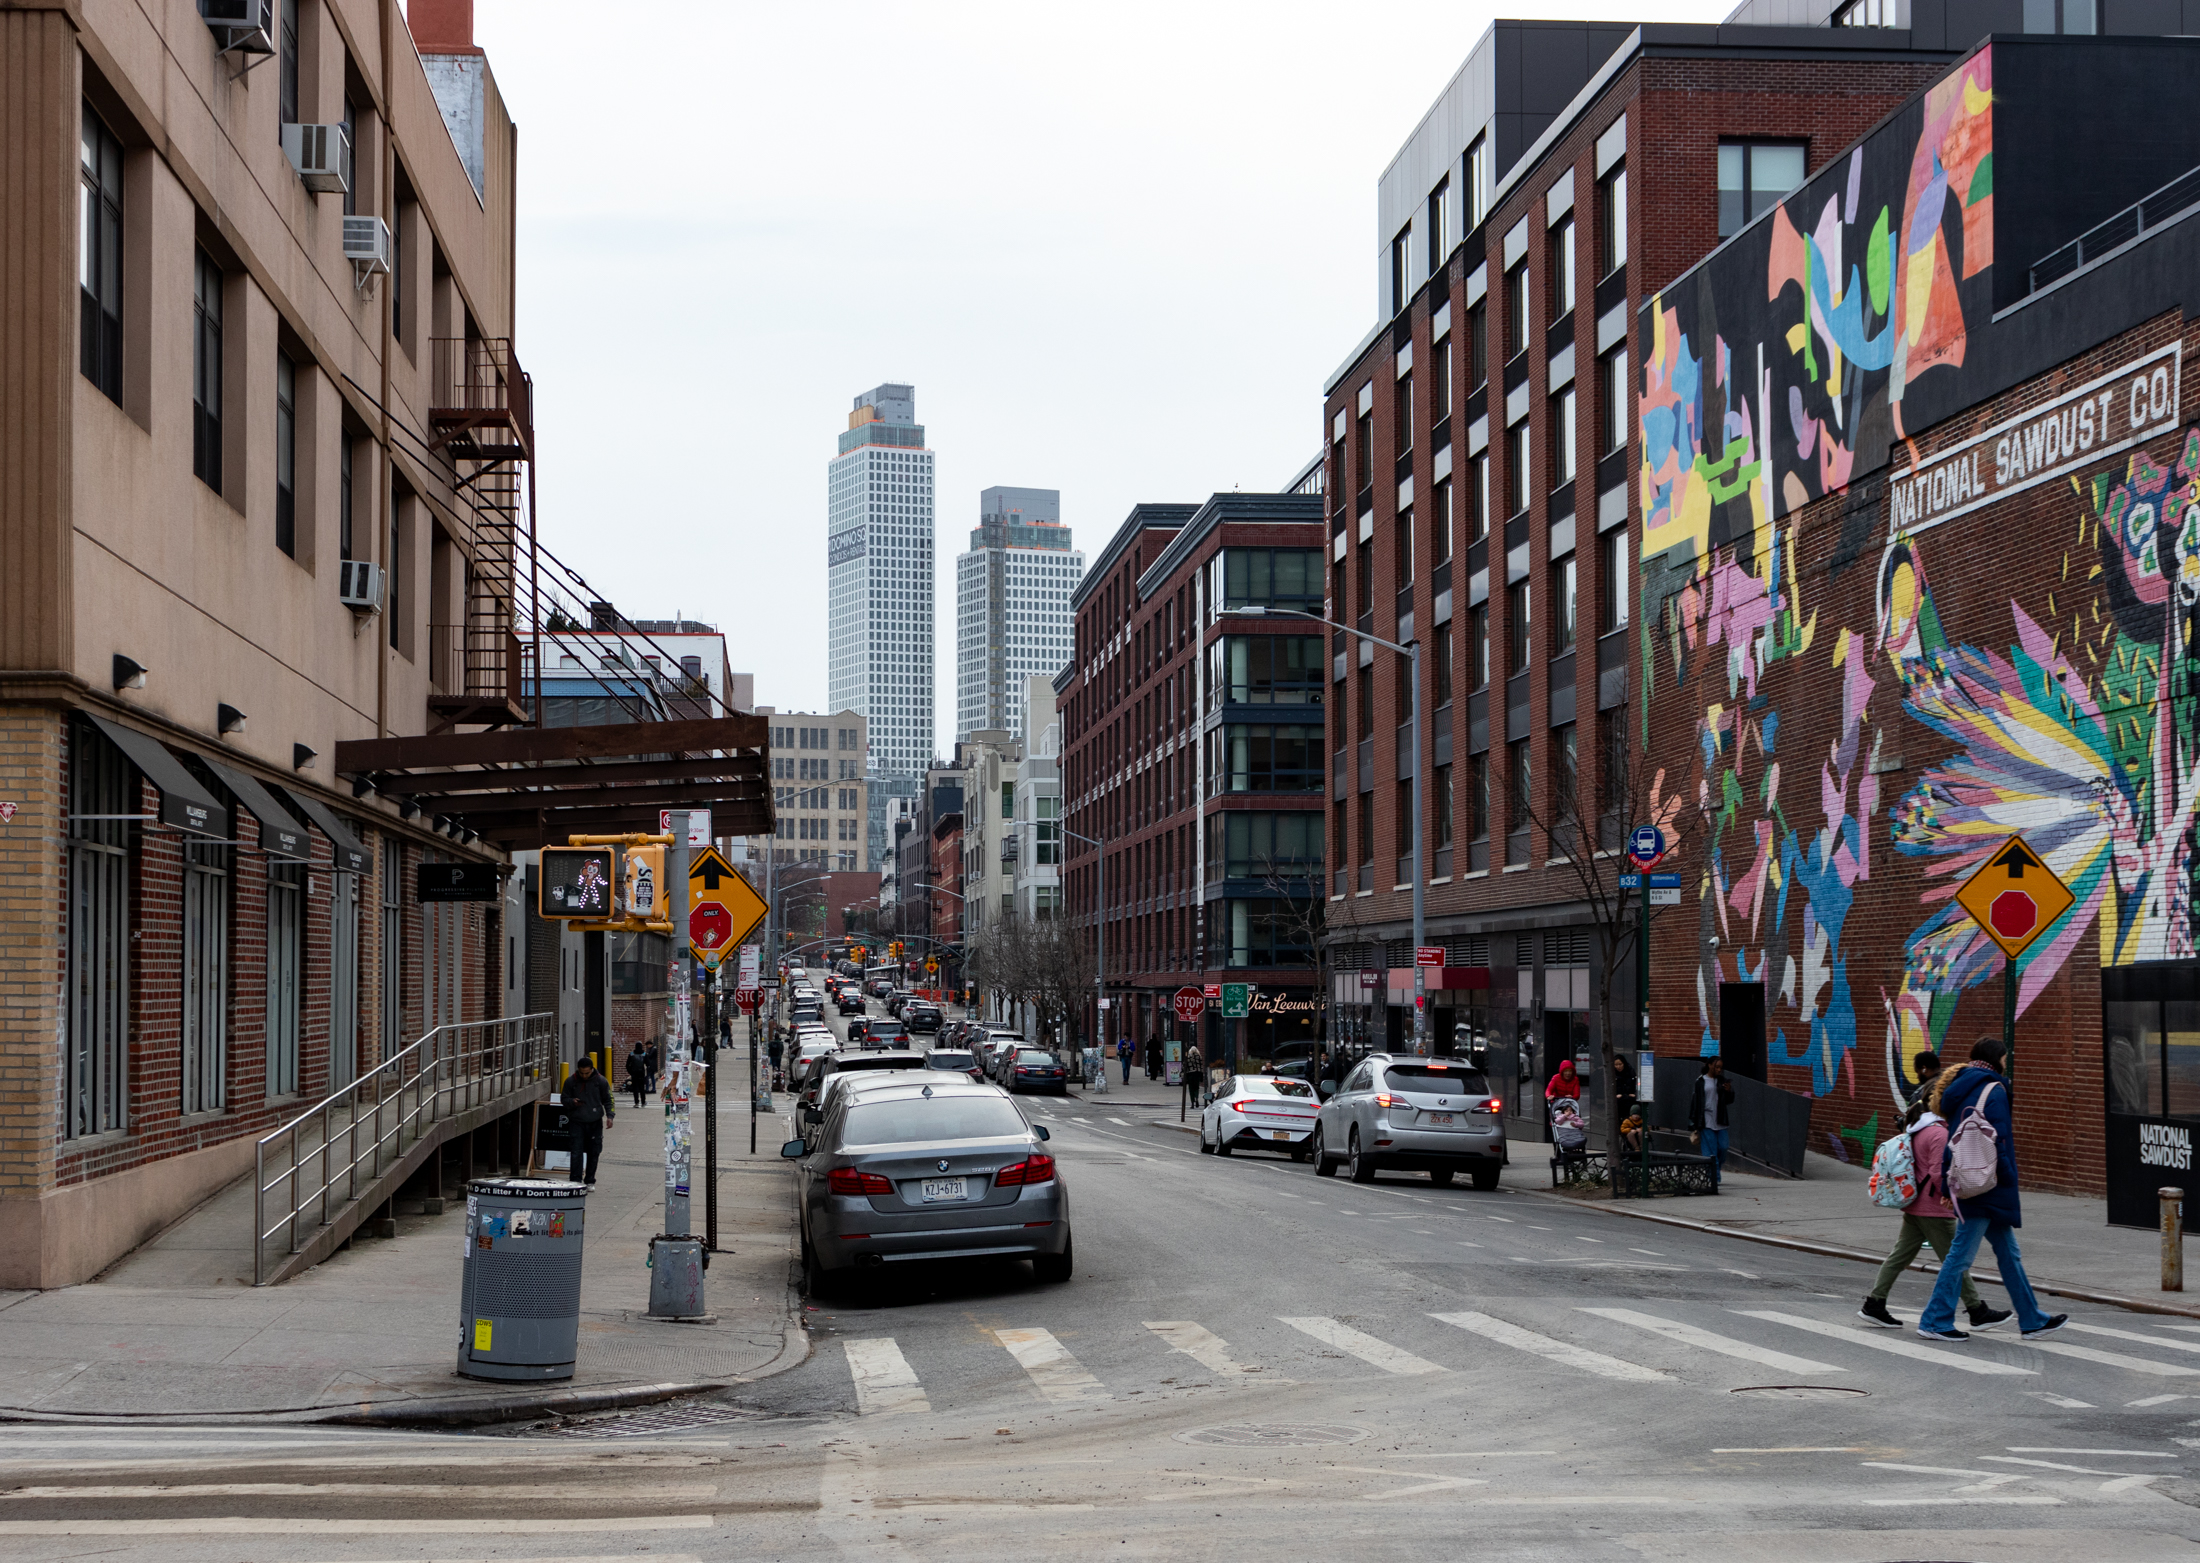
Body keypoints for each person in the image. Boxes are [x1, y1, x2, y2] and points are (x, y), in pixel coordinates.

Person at [1916, 1038, 2068, 1342]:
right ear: (1995, 1059)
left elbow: (1954, 1140)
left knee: (2009, 1254)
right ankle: (1934, 1320)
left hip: (1972, 1179)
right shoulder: (1994, 1089)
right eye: (2004, 1057)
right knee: (1960, 1256)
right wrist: (2009, 1176)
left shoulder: (1961, 1087)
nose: (2006, 1062)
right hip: (1988, 1184)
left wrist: (1949, 1183)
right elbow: (1999, 1140)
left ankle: (2031, 1318)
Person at [1859, 1077, 2011, 1331]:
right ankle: (1976, 1310)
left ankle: (1874, 1304)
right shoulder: (1939, 1133)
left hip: (1916, 1204)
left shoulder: (1918, 1128)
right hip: (1933, 1209)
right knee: (1956, 1260)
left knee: (1899, 1257)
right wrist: (1951, 1195)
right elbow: (1938, 1172)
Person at [564, 1056, 616, 1186]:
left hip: (594, 1121)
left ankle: (590, 1180)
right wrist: (572, 1102)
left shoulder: (601, 1081)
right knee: (576, 1152)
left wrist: (610, 1116)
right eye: (581, 1073)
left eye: (587, 1073)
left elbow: (609, 1099)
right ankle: (575, 1180)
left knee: (594, 1152)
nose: (584, 1075)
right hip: (577, 1121)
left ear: (592, 1069)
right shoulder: (571, 1081)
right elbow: (564, 1099)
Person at [1688, 1055, 1735, 1188]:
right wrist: (1693, 1122)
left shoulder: (1722, 1081)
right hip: (1706, 1120)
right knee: (1711, 1150)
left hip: (1720, 1119)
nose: (1719, 1070)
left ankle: (1716, 1169)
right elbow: (1695, 1102)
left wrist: (1728, 1091)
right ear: (1709, 1065)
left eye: (1721, 1067)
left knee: (1723, 1147)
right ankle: (1714, 1178)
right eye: (1717, 1067)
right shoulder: (1700, 1081)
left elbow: (1729, 1101)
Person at [1610, 1051, 1638, 1125]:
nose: (1618, 1067)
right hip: (1619, 1101)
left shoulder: (1630, 1071)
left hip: (1629, 1100)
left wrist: (1632, 1094)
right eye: (1616, 1065)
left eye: (1620, 1064)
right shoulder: (1612, 1074)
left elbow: (1634, 1085)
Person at [624, 1044, 649, 1109]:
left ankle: (636, 1103)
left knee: (635, 1089)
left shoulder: (631, 1054)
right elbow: (648, 1064)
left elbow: (627, 1065)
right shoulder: (644, 1054)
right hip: (641, 1074)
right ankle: (643, 1102)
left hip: (634, 1074)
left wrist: (630, 1072)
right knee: (642, 1089)